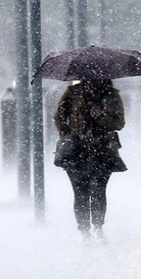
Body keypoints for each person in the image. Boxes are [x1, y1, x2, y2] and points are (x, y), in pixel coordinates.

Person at [54, 79, 127, 242]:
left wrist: (101, 117)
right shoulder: (72, 93)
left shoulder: (112, 95)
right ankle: (84, 231)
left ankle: (98, 227)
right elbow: (59, 116)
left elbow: (119, 123)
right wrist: (68, 135)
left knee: (99, 189)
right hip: (76, 151)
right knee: (80, 192)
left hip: (103, 149)